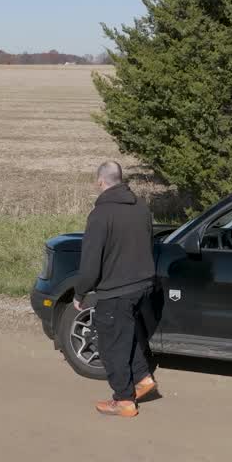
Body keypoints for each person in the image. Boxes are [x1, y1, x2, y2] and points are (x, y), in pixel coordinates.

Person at [72, 161, 159, 417]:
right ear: (120, 179)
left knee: (110, 345)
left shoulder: (100, 214)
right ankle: (142, 379)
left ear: (101, 182)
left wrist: (80, 292)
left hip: (116, 290)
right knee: (127, 335)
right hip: (142, 286)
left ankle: (123, 400)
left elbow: (90, 261)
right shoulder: (141, 207)